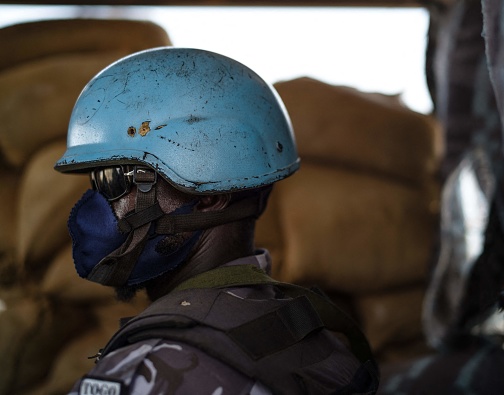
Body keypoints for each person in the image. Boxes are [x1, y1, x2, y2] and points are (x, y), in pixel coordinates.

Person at [55, 47, 379, 395]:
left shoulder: (149, 371)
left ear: (207, 194)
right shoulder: (304, 330)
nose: (97, 204)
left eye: (112, 179)